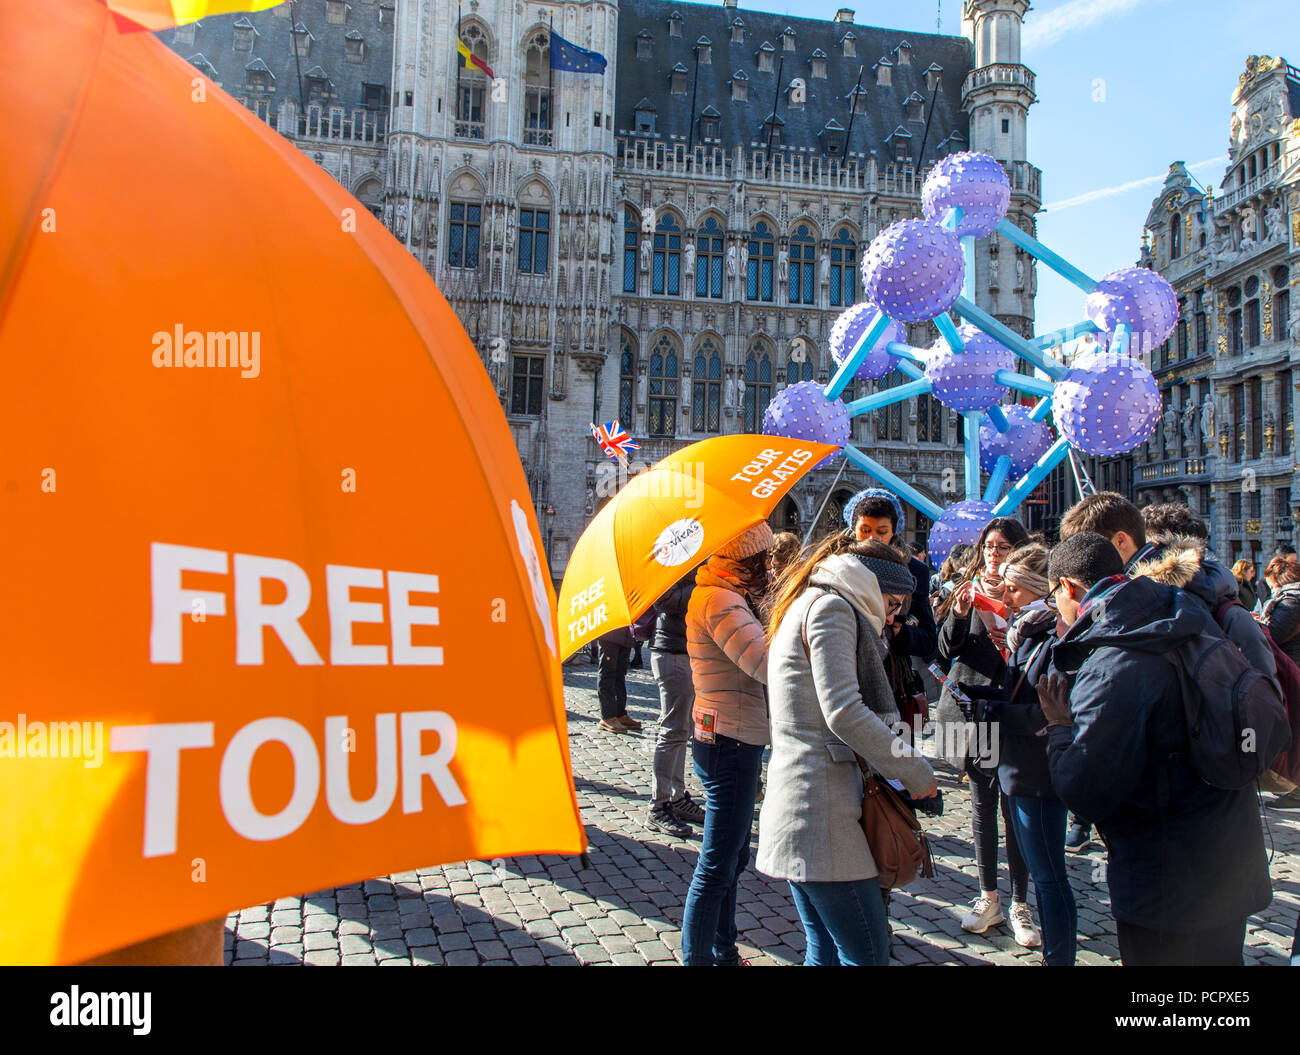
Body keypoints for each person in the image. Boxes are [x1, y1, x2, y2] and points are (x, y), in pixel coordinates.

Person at [1037, 532, 1272, 966]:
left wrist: (1059, 728)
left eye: (1054, 601)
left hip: (1164, 880)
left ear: (1067, 587)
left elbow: (1085, 788)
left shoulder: (1111, 658)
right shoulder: (1186, 616)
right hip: (1229, 858)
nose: (1057, 615)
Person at [757, 534, 936, 966]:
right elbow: (844, 712)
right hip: (821, 809)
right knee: (867, 955)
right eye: (893, 605)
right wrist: (917, 774)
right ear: (873, 585)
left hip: (811, 806)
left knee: (825, 952)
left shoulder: (814, 601)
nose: (893, 617)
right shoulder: (832, 609)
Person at [967, 543, 1074, 963]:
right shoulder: (1023, 632)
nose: (1004, 598)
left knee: (1048, 876)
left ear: (1034, 590)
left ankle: (1057, 955)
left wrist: (992, 709)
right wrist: (982, 695)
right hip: (1014, 767)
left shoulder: (1051, 637)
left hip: (1037, 772)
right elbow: (1019, 690)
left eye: (1012, 589)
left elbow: (1048, 712)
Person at [934, 516, 1038, 944]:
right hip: (973, 710)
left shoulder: (1030, 594)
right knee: (982, 806)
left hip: (1012, 711)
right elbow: (945, 653)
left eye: (1003, 547)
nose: (994, 554)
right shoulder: (968, 589)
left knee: (1014, 809)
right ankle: (987, 896)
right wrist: (959, 616)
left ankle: (1020, 904)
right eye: (990, 546)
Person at [682, 522, 773, 966]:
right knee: (717, 865)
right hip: (731, 739)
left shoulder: (724, 593)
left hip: (725, 734)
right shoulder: (721, 599)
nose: (770, 566)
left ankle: (723, 950)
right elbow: (765, 664)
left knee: (732, 858)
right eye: (765, 559)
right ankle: (700, 957)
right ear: (746, 561)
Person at [1127, 502, 1276, 679]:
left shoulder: (1229, 616)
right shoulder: (1233, 614)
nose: (1141, 559)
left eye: (1147, 549)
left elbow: (1260, 696)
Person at [645, 570, 705, 837]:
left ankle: (676, 796)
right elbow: (662, 599)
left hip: (686, 648)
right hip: (671, 651)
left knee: (682, 731)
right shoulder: (672, 555)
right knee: (671, 730)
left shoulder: (695, 555)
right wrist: (700, 587)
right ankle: (658, 806)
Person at [848, 489, 937, 664]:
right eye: (865, 530)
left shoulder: (914, 569)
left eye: (881, 532)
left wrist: (901, 632)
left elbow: (928, 641)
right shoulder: (838, 563)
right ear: (853, 529)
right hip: (846, 660)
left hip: (892, 669)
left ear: (894, 531)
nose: (873, 538)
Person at [595, 626, 640, 733]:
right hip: (610, 632)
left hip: (625, 634)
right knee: (607, 673)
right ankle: (607, 716)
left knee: (620, 674)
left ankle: (620, 714)